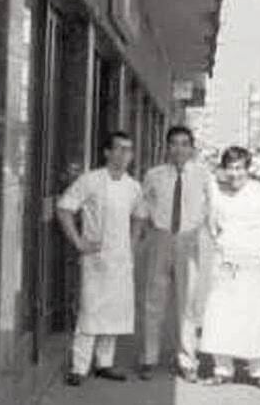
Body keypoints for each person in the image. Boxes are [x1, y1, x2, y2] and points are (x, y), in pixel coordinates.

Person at [56, 131, 148, 386]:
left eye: (128, 150)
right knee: (90, 311)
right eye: (118, 149)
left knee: (115, 311)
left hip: (121, 259)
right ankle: (79, 367)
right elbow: (64, 208)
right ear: (107, 152)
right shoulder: (90, 180)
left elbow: (140, 214)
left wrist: (133, 241)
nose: (123, 155)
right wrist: (78, 242)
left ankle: (105, 363)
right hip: (95, 257)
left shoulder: (133, 186)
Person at [199, 146, 260, 390]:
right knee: (221, 314)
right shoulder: (219, 195)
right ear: (224, 170)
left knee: (255, 315)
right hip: (226, 260)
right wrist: (226, 248)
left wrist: (257, 250)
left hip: (254, 262)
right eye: (230, 168)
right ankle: (222, 369)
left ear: (248, 169)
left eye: (239, 168)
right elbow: (212, 225)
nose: (234, 173)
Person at [136, 125, 214, 383]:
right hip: (161, 238)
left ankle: (187, 360)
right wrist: (146, 234)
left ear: (192, 148)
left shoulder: (204, 175)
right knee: (153, 301)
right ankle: (148, 357)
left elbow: (213, 209)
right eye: (174, 144)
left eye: (184, 143)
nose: (179, 149)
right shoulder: (154, 175)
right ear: (167, 147)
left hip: (189, 240)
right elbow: (143, 206)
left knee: (188, 304)